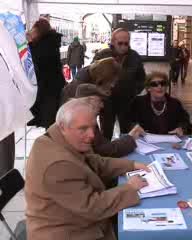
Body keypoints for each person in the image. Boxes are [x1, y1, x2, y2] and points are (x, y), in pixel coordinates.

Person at [25, 99, 149, 240]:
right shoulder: (58, 165)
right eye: (83, 129)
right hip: (68, 231)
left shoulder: (57, 137)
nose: (91, 135)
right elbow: (92, 208)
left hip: (74, 219)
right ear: (63, 127)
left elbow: (93, 161)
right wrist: (129, 188)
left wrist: (131, 165)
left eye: (93, 127)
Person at [93, 28, 146, 139]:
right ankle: (105, 153)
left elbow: (141, 79)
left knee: (127, 133)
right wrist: (100, 94)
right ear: (113, 42)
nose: (123, 46)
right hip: (107, 103)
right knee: (106, 133)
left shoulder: (134, 57)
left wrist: (133, 92)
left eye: (126, 43)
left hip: (127, 102)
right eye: (120, 43)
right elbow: (92, 76)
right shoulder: (102, 55)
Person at [75, 83, 144, 157]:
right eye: (100, 101)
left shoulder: (81, 117)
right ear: (91, 100)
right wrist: (131, 137)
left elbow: (104, 146)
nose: (102, 105)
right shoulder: (83, 122)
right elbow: (106, 150)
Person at [27, 18, 65, 129]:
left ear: (39, 30)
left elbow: (36, 60)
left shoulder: (44, 45)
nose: (31, 32)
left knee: (50, 121)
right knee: (50, 119)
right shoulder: (50, 42)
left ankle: (51, 143)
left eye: (33, 30)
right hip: (51, 87)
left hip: (49, 89)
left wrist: (29, 43)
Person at [128, 71, 192, 136]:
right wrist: (135, 127)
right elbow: (129, 122)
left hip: (170, 142)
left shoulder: (175, 104)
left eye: (163, 83)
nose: (160, 87)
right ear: (148, 88)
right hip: (145, 142)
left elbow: (186, 123)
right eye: (154, 84)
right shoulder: (138, 103)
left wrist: (182, 129)